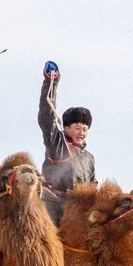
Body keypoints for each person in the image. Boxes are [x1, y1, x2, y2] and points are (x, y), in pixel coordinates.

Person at [37, 61, 96, 225]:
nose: (81, 133)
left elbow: (92, 184)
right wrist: (51, 83)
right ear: (67, 128)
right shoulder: (57, 143)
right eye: (78, 128)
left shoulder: (89, 158)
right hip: (53, 205)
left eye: (85, 129)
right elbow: (46, 116)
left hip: (78, 209)